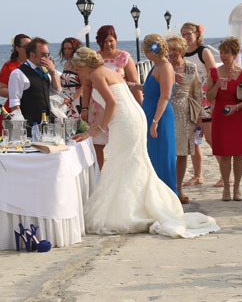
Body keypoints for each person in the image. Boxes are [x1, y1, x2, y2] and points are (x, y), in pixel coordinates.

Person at [72, 47, 219, 238]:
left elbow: (112, 103)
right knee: (131, 163)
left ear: (84, 65)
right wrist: (92, 130)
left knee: (123, 162)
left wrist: (99, 130)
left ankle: (130, 211)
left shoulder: (96, 75)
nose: (77, 72)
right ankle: (136, 207)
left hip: (125, 121)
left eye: (77, 68)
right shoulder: (107, 70)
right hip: (132, 117)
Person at [80, 25, 142, 170]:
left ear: (116, 40)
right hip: (97, 106)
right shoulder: (94, 58)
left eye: (111, 40)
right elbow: (87, 85)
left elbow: (134, 84)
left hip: (119, 107)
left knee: (119, 144)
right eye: (104, 41)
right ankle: (99, 175)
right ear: (99, 43)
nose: (108, 44)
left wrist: (140, 105)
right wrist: (85, 107)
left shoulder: (125, 57)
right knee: (97, 144)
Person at [128, 35, 177, 194]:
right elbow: (152, 89)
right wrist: (134, 85)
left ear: (150, 51)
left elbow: (164, 96)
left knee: (162, 156)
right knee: (151, 155)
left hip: (160, 117)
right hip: (150, 114)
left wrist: (155, 121)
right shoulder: (156, 66)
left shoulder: (165, 67)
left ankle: (168, 194)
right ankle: (154, 195)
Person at [206, 37, 242, 202]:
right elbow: (209, 97)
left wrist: (236, 107)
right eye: (221, 52)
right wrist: (217, 86)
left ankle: (237, 187)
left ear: (234, 54)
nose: (222, 56)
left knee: (238, 154)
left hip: (238, 116)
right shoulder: (214, 72)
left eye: (226, 53)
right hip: (220, 116)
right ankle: (226, 187)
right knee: (224, 154)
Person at [181, 22, 226, 187]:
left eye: (188, 34)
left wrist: (214, 99)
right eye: (183, 34)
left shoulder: (204, 52)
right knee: (193, 139)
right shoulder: (181, 53)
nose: (186, 38)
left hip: (206, 98)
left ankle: (225, 174)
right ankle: (198, 176)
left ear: (196, 34)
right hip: (189, 100)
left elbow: (214, 75)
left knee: (210, 138)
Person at [167, 35, 202, 204]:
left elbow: (197, 93)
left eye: (174, 49)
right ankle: (166, 188)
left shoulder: (191, 67)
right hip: (166, 110)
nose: (171, 53)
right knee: (167, 152)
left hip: (185, 114)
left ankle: (178, 189)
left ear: (181, 50)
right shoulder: (162, 66)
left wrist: (198, 118)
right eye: (168, 49)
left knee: (182, 153)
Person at [8, 36, 61, 131]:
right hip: (29, 125)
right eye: (44, 54)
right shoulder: (18, 73)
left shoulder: (45, 70)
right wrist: (20, 128)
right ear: (32, 54)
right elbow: (14, 103)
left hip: (47, 123)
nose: (47, 58)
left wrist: (53, 72)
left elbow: (56, 90)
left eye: (48, 54)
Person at [0, 34, 31, 132]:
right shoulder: (10, 66)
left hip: (32, 109)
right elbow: (0, 90)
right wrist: (22, 93)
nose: (30, 49)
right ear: (17, 48)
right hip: (14, 109)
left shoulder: (35, 66)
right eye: (26, 46)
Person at [59, 37, 83, 117]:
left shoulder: (79, 64)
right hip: (66, 100)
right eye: (64, 48)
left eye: (69, 48)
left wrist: (72, 98)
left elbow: (84, 85)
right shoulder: (66, 64)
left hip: (76, 100)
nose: (66, 51)